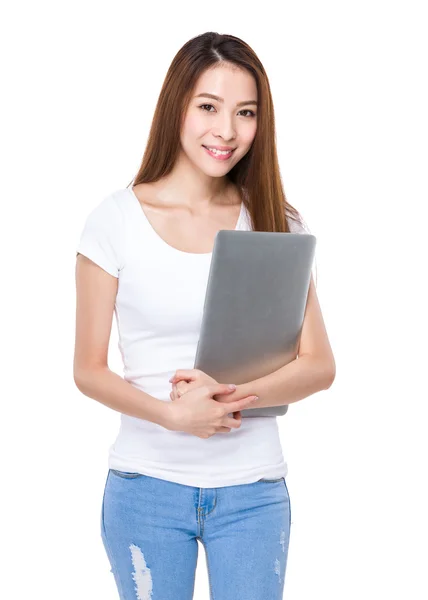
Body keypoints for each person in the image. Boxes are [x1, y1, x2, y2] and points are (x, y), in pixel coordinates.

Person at [74, 31, 335, 600]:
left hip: (254, 494)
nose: (226, 131)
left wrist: (225, 394)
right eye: (209, 107)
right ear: (178, 108)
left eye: (246, 113)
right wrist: (171, 416)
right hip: (146, 488)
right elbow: (88, 370)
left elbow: (319, 365)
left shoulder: (275, 221)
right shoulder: (115, 220)